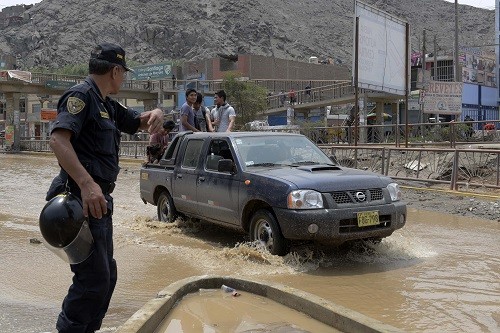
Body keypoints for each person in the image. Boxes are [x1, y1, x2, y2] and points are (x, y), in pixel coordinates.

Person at [48, 42, 165, 333]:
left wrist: (157, 113)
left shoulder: (107, 105)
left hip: (98, 202)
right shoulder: (81, 96)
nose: (124, 78)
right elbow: (58, 141)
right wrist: (87, 184)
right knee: (92, 280)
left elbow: (137, 122)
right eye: (123, 72)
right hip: (79, 201)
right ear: (115, 71)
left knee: (106, 276)